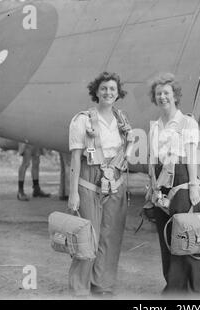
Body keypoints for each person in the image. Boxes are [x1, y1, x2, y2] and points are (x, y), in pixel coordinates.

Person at [67, 71, 134, 297]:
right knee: (88, 237)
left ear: (118, 94)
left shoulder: (121, 119)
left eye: (112, 89)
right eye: (104, 88)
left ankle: (102, 285)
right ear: (96, 92)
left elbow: (127, 150)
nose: (108, 93)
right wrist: (73, 192)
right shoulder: (82, 120)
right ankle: (80, 288)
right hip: (89, 182)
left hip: (116, 182)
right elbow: (75, 158)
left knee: (111, 236)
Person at [145, 72, 200, 296]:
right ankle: (172, 286)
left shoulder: (187, 122)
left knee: (186, 233)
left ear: (175, 96)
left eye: (166, 93)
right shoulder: (155, 126)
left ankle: (192, 289)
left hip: (180, 180)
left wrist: (193, 184)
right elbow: (153, 158)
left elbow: (191, 156)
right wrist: (152, 186)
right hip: (160, 181)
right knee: (165, 235)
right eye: (158, 93)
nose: (162, 97)